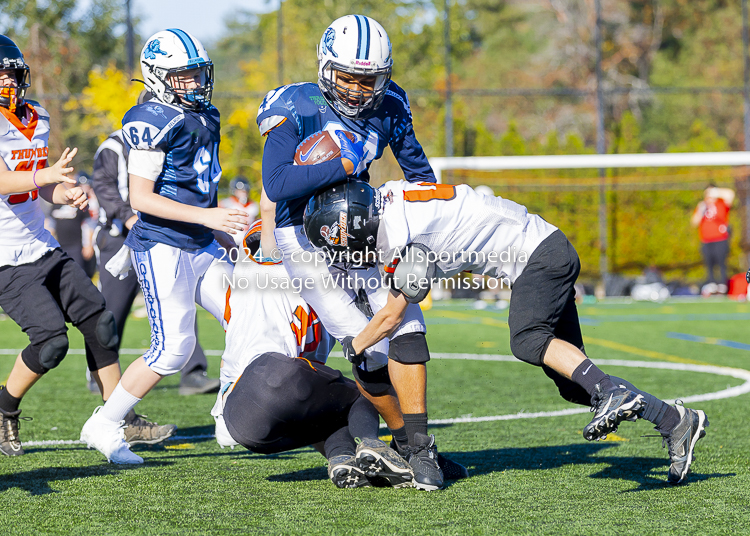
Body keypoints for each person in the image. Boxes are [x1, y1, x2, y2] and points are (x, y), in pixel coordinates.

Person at [304, 180, 709, 485]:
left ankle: (612, 391)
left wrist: (355, 346)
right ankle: (676, 420)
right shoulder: (389, 196)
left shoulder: (397, 235)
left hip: (539, 256)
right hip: (545, 247)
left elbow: (393, 315)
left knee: (528, 339)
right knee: (574, 385)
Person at [257, 14, 443, 490]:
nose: (360, 90)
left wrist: (427, 232)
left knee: (407, 323)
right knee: (364, 343)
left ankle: (420, 450)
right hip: (300, 234)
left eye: (369, 80)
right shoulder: (294, 104)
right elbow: (276, 185)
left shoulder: (391, 103)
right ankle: (402, 440)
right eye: (348, 77)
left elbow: (420, 175)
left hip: (360, 226)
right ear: (325, 67)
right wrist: (341, 164)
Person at [80, 29, 248, 464]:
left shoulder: (206, 115)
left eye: (198, 74)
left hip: (199, 243)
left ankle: (226, 411)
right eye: (183, 76)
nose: (195, 83)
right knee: (171, 349)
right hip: (163, 247)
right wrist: (209, 218)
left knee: (246, 319)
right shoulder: (151, 119)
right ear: (157, 77)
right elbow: (141, 198)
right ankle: (104, 422)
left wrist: (219, 229)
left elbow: (198, 188)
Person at [0, 35, 172, 456]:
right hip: (5, 258)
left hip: (40, 244)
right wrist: (46, 178)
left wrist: (65, 192)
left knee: (100, 322)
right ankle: (4, 410)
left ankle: (121, 418)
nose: (5, 82)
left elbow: (40, 188)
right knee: (50, 341)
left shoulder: (36, 116)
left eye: (9, 73)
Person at [213, 222, 417, 488]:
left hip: (236, 421)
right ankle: (374, 444)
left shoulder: (242, 281)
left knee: (320, 407)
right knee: (363, 393)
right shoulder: (307, 278)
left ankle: (340, 457)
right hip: (272, 374)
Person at [92, 93, 220, 397]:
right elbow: (104, 186)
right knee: (113, 311)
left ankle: (193, 372)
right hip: (121, 238)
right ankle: (100, 372)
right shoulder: (114, 146)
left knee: (180, 305)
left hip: (166, 233)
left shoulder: (180, 136)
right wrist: (127, 218)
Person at [691, 185, 734, 294]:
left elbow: (730, 194)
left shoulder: (721, 203)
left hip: (720, 239)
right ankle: (711, 285)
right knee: (709, 264)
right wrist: (701, 209)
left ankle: (723, 286)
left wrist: (716, 192)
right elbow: (694, 222)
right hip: (706, 240)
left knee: (721, 263)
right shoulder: (702, 206)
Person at [218, 176, 258, 245]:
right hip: (230, 241)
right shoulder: (227, 203)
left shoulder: (253, 206)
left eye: (245, 191)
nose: (243, 193)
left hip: (247, 242)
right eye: (240, 191)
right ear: (234, 191)